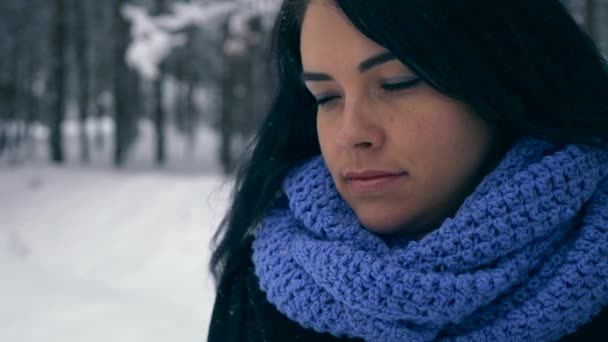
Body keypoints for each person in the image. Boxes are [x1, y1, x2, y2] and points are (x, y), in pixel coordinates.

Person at [208, 0, 608, 341]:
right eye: (326, 97)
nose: (351, 133)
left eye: (398, 83)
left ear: (507, 82)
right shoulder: (259, 286)